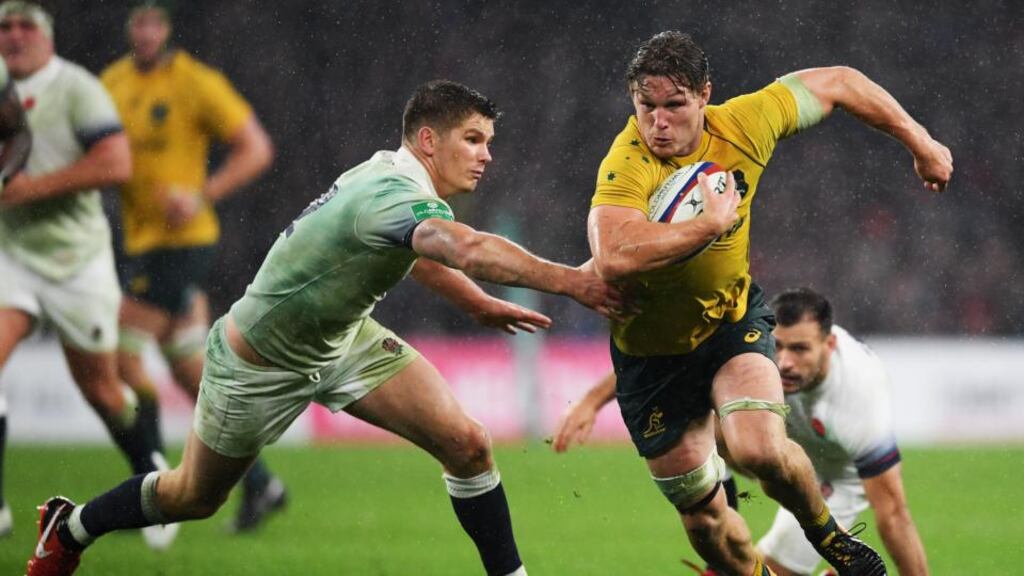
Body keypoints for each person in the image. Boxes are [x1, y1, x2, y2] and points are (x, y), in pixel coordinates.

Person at [25, 79, 627, 576]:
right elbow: (463, 247)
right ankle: (72, 525)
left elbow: (418, 252)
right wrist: (572, 280)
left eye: (488, 141)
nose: (485, 154)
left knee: (468, 445)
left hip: (344, 342)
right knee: (194, 497)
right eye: (472, 139)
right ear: (427, 140)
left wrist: (475, 304)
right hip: (258, 362)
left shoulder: (393, 181)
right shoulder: (391, 191)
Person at [583, 31, 950, 575]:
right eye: (646, 106)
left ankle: (830, 539)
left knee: (758, 448)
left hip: (730, 322)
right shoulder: (627, 162)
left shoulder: (747, 122)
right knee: (707, 524)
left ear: (704, 96)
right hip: (651, 359)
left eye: (674, 106)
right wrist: (709, 225)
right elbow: (612, 255)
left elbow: (842, 82)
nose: (658, 122)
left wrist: (921, 143)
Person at [554, 288, 930, 575]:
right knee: (707, 417)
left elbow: (894, 514)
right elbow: (668, 367)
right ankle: (725, 523)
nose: (784, 362)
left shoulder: (858, 394)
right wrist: (591, 400)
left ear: (829, 345)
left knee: (772, 568)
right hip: (782, 452)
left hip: (834, 479)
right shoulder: (755, 346)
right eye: (779, 346)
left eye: (800, 349)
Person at [100, 2, 283, 534]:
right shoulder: (110, 84)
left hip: (183, 245)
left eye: (155, 22)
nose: (146, 32)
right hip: (143, 245)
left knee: (122, 360)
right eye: (137, 22)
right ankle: (260, 484)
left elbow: (257, 148)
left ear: (168, 28)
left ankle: (150, 492)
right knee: (190, 371)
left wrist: (202, 194)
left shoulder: (196, 82)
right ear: (129, 27)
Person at [0, 0, 164, 541]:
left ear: (47, 36)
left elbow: (116, 163)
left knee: (102, 391)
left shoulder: (76, 88)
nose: (15, 34)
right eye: (5, 25)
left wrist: (27, 190)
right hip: (11, 254)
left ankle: (151, 474)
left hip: (76, 261)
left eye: (27, 25)